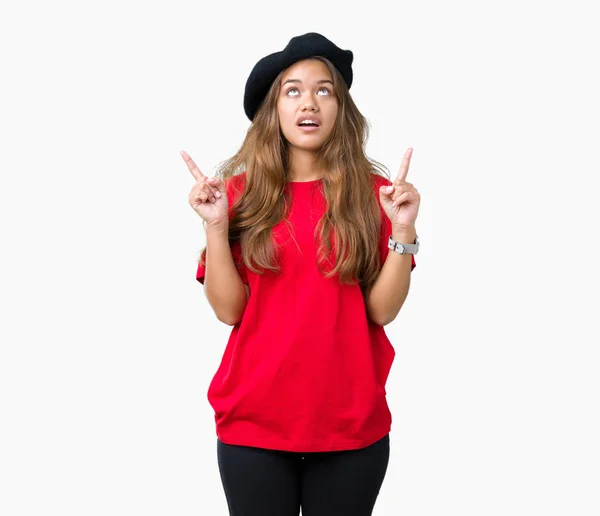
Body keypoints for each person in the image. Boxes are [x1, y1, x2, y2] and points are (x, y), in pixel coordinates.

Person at [182, 32, 420, 516]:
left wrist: (403, 228)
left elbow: (382, 311)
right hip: (254, 427)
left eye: (323, 89)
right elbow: (229, 311)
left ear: (340, 109)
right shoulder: (238, 195)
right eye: (293, 90)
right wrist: (216, 224)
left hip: (351, 428)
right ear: (273, 109)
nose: (308, 102)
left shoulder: (377, 195)